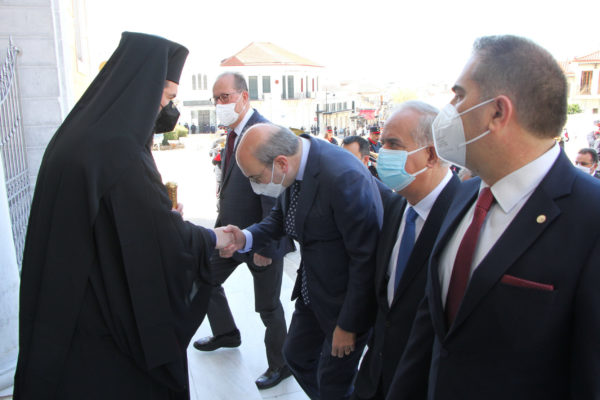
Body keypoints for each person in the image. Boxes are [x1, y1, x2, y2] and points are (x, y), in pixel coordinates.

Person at [13, 32, 233, 400]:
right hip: (102, 331)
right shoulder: (121, 152)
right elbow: (157, 241)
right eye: (167, 98)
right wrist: (211, 237)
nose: (168, 109)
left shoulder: (79, 135)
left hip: (65, 310)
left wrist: (156, 214)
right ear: (143, 89)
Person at [387, 35, 600, 400]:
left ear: (497, 112)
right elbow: (430, 333)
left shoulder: (590, 217)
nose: (448, 110)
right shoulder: (464, 195)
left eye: (459, 96)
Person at [222, 123, 383, 400]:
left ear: (280, 163)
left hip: (344, 303)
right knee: (296, 356)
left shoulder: (342, 177)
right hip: (313, 291)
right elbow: (281, 218)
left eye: (256, 177)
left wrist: (349, 325)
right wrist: (245, 237)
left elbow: (366, 259)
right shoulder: (295, 165)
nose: (254, 185)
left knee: (333, 382)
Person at [352, 102, 460, 400]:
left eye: (394, 144)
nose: (382, 152)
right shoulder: (396, 206)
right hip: (377, 374)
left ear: (431, 155)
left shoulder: (464, 215)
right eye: (383, 142)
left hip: (424, 381)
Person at [192, 72, 294, 390]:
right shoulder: (233, 133)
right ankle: (226, 333)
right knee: (204, 278)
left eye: (225, 97)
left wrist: (266, 246)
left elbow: (275, 195)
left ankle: (281, 364)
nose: (219, 104)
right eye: (216, 99)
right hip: (230, 235)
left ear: (244, 96)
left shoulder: (264, 133)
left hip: (260, 238)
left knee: (268, 306)